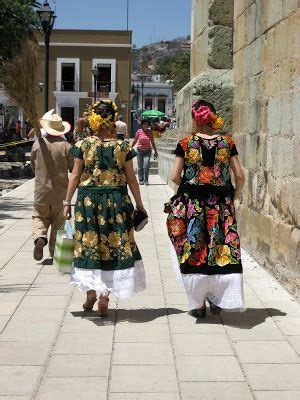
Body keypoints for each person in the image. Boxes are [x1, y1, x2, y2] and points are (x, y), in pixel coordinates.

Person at [63, 100, 147, 317]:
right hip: (117, 202)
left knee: (89, 246)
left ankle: (91, 291)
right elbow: (132, 179)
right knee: (113, 247)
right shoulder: (123, 147)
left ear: (93, 119)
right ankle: (104, 297)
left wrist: (66, 202)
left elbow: (74, 175)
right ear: (113, 120)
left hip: (88, 203)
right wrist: (139, 204)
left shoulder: (83, 145)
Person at [164, 99, 245, 318]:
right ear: (213, 117)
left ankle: (197, 303)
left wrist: (189, 187)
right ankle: (216, 297)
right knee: (220, 248)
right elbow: (239, 176)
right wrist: (232, 197)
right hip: (221, 206)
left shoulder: (185, 143)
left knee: (195, 249)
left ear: (194, 119)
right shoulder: (227, 143)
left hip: (193, 205)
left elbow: (174, 176)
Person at [31, 112, 74, 261]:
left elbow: (33, 165)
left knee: (39, 218)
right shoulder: (66, 146)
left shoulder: (37, 144)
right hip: (60, 192)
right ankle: (55, 253)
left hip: (41, 192)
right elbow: (73, 168)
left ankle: (40, 238)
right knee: (58, 223)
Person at [131, 119, 158, 185]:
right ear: (142, 125)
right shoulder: (138, 131)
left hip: (148, 151)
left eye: (147, 124)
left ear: (148, 125)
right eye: (144, 124)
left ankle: (146, 180)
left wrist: (155, 151)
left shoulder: (150, 132)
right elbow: (135, 140)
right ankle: (141, 179)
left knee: (146, 166)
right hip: (139, 151)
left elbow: (152, 142)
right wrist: (130, 147)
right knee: (140, 167)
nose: (145, 126)